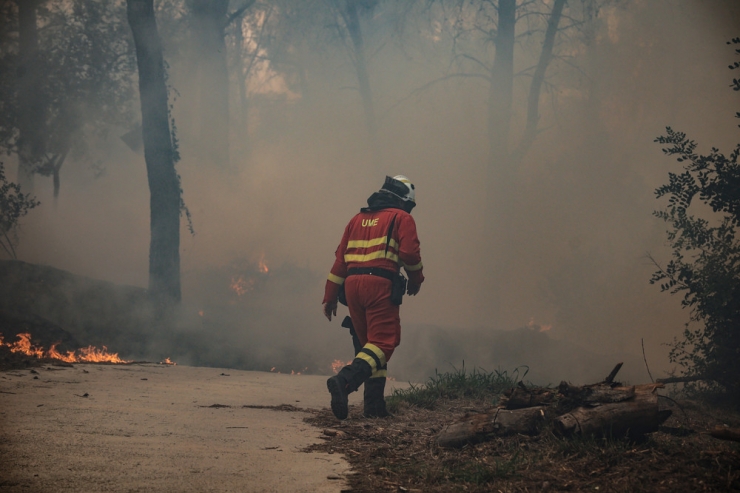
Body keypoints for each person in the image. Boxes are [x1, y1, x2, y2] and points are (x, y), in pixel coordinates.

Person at [322, 175, 425, 419]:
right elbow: (410, 253)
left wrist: (330, 296)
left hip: (351, 287)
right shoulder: (402, 218)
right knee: (383, 342)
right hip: (379, 285)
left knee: (369, 345)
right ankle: (344, 382)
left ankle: (374, 408)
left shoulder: (356, 219)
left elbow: (340, 261)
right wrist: (416, 279)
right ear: (404, 201)